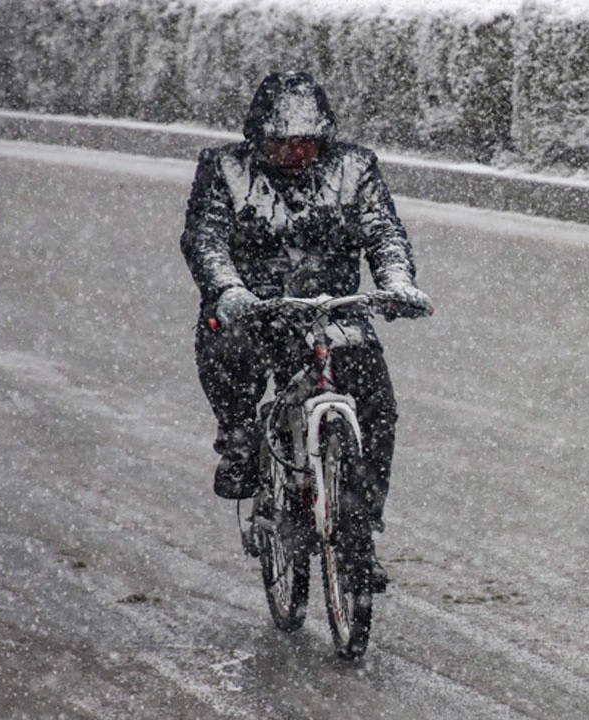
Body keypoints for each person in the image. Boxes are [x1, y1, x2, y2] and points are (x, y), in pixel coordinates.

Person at [180, 71, 431, 588]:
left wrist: (397, 282)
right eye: (282, 142)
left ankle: (358, 531)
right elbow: (207, 238)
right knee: (226, 347)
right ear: (259, 137)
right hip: (256, 309)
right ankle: (240, 439)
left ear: (325, 136)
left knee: (376, 405)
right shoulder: (224, 170)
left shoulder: (355, 168)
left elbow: (383, 230)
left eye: (307, 142)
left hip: (332, 309)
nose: (296, 153)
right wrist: (231, 292)